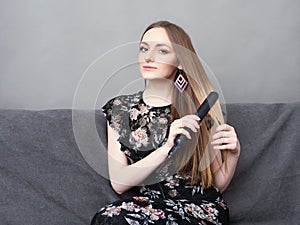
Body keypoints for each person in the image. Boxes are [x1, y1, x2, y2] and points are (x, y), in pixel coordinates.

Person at [91, 20, 240, 225]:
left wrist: (233, 156)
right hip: (150, 206)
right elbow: (119, 182)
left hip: (199, 208)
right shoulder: (119, 109)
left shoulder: (198, 111)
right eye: (144, 49)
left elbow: (217, 184)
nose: (148, 57)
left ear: (180, 61)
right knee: (107, 219)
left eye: (162, 51)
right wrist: (166, 147)